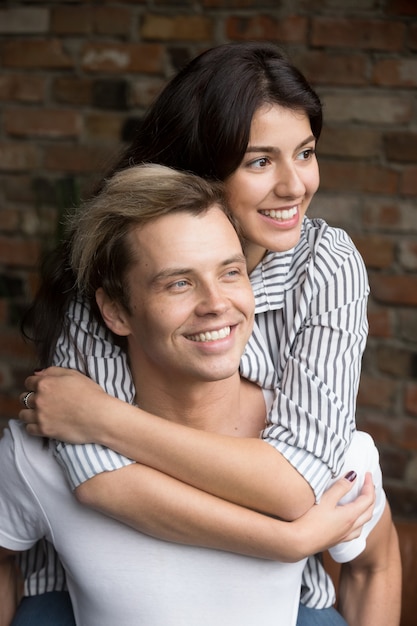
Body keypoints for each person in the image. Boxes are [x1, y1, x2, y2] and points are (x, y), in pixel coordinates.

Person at [18, 41, 401, 625]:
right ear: (197, 167)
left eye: (305, 152)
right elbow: (98, 480)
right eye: (259, 161)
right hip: (93, 582)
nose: (295, 185)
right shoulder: (117, 264)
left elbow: (296, 484)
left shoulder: (325, 264)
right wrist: (285, 537)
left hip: (274, 590)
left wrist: (100, 416)